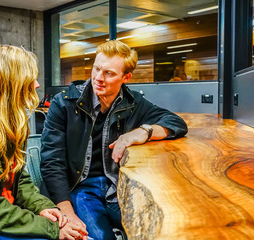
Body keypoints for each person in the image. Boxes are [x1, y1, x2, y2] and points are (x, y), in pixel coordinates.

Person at [40, 40, 188, 240]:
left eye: (109, 73)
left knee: (155, 230)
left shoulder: (133, 103)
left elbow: (176, 122)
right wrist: (67, 211)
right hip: (80, 187)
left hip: (117, 186)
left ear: (126, 77)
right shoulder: (64, 103)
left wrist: (142, 132)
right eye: (97, 69)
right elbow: (52, 162)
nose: (98, 78)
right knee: (100, 237)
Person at [0, 44, 88, 240]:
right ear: (7, 83)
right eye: (30, 79)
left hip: (8, 214)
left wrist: (43, 207)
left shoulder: (9, 123)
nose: (37, 85)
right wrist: (51, 229)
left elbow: (18, 178)